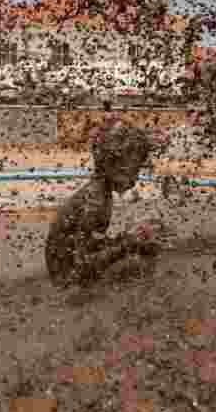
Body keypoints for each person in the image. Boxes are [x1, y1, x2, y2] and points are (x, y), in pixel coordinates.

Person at [45, 117, 167, 288]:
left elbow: (91, 246)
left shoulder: (98, 193)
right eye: (134, 168)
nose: (136, 176)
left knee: (144, 243)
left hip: (65, 274)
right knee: (143, 260)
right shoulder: (96, 203)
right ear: (115, 164)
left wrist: (126, 237)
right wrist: (129, 242)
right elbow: (83, 266)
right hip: (68, 283)